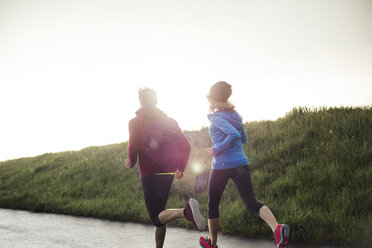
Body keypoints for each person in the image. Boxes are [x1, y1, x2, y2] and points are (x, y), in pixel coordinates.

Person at [199, 81, 289, 248]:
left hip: (221, 166)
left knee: (213, 203)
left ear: (213, 99)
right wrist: (235, 131)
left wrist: (216, 149)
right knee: (251, 203)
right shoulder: (235, 115)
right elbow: (243, 139)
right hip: (241, 163)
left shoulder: (218, 117)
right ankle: (277, 229)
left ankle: (212, 243)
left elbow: (233, 135)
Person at [124, 88, 205, 248]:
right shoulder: (169, 121)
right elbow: (185, 146)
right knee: (161, 214)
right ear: (156, 101)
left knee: (156, 216)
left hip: (150, 172)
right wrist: (180, 168)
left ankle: (186, 212)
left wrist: (130, 162)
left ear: (141, 101)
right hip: (169, 172)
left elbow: (134, 147)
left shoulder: (136, 122)